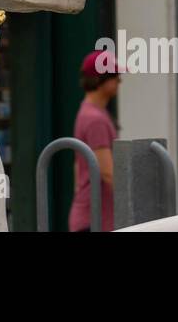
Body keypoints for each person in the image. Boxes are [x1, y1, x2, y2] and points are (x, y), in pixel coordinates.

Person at [69, 49, 121, 232]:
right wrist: (130, 201)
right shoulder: (95, 119)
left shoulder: (88, 111)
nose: (119, 81)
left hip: (90, 215)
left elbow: (77, 167)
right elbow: (108, 171)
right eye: (115, 76)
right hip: (95, 219)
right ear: (100, 80)